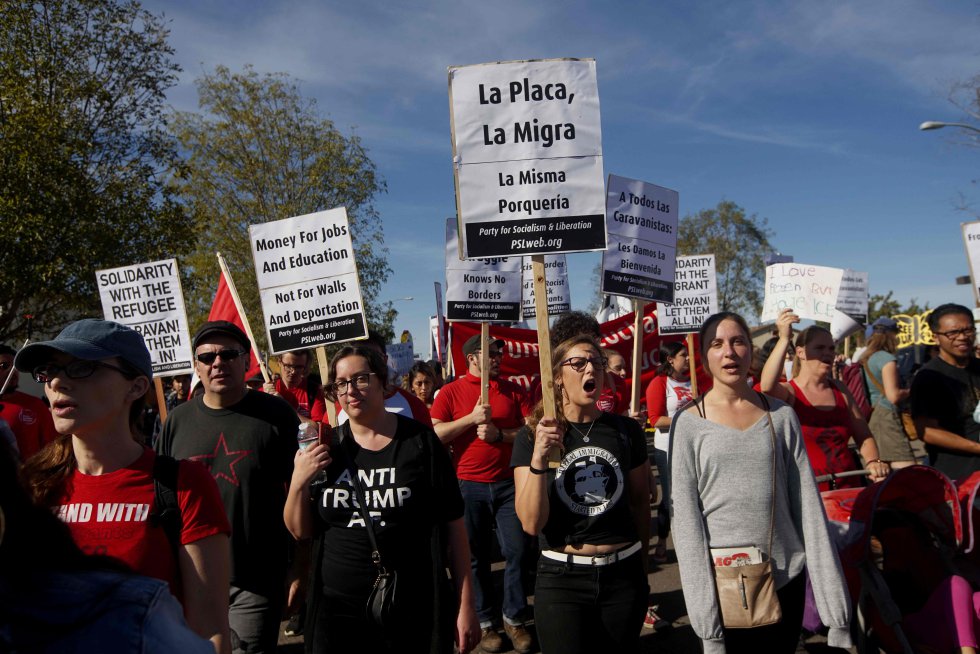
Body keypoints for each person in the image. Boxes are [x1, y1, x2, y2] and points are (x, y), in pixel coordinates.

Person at [15, 319, 231, 653]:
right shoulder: (30, 487)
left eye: (82, 368)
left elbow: (209, 632)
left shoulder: (184, 484)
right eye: (49, 370)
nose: (57, 382)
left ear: (136, 387)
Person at [671, 311, 852, 653]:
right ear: (704, 357)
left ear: (750, 351)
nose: (729, 352)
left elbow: (809, 510)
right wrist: (706, 624)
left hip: (786, 578)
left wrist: (836, 613)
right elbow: (686, 526)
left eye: (738, 341)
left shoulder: (781, 417)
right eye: (717, 344)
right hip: (726, 586)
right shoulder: (689, 423)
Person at [283, 345, 480, 654]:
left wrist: (465, 603)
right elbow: (301, 531)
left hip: (411, 606)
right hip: (337, 613)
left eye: (361, 378)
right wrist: (298, 482)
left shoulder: (420, 442)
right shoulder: (324, 447)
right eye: (341, 383)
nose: (351, 390)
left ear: (383, 383)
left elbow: (454, 527)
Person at [158, 320, 300, 654]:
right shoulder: (176, 421)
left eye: (228, 354)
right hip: (191, 578)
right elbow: (162, 501)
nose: (217, 363)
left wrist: (299, 567)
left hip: (256, 579)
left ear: (246, 360)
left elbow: (303, 492)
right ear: (196, 366)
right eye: (207, 358)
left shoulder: (276, 414)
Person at [0, 437, 217, 654]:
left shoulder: (181, 482)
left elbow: (209, 630)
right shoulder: (33, 483)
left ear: (132, 399)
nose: (58, 400)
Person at [513, 334, 650, 653]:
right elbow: (532, 524)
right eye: (578, 363)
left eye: (597, 362)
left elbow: (641, 503)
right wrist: (538, 458)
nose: (591, 369)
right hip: (562, 581)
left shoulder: (626, 430)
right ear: (558, 377)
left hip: (623, 576)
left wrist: (640, 570)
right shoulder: (532, 435)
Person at [431, 334, 534, 654]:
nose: (497, 358)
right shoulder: (450, 392)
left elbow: (530, 429)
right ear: (472, 357)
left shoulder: (514, 390)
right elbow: (435, 432)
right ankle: (487, 622)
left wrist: (500, 434)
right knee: (474, 557)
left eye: (498, 353)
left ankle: (514, 618)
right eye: (490, 353)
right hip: (467, 485)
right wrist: (470, 420)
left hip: (508, 484)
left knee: (517, 550)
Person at [760, 309, 889, 490]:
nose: (827, 353)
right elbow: (766, 386)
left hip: (848, 486)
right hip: (808, 492)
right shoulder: (790, 392)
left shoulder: (840, 389)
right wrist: (783, 339)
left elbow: (864, 436)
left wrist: (874, 462)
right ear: (801, 352)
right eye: (820, 348)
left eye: (831, 348)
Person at [911, 303, 980, 480]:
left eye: (968, 330)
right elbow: (927, 432)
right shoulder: (928, 377)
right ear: (936, 337)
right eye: (952, 333)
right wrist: (976, 447)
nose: (962, 337)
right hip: (959, 475)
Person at [644, 340, 693, 566]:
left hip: (693, 446)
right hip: (668, 448)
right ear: (670, 359)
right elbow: (655, 420)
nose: (689, 358)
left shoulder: (695, 381)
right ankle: (662, 541)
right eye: (684, 354)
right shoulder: (659, 383)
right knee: (672, 497)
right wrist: (687, 420)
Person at [335, 330, 432, 427]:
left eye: (374, 357)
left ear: (385, 360)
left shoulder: (414, 406)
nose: (366, 363)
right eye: (359, 356)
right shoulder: (335, 412)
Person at [859, 318, 917, 468]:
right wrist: (912, 390)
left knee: (882, 469)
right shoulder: (886, 358)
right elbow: (893, 395)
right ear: (891, 335)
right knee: (907, 469)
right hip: (887, 416)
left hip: (874, 415)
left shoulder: (866, 357)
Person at [0, 343, 59, 461]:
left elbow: (53, 448)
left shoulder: (35, 405)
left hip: (30, 477)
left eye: (15, 367)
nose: (12, 372)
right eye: (4, 366)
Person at [263, 349, 327, 423]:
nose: (293, 371)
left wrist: (285, 407)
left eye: (299, 367)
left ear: (305, 366)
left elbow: (317, 428)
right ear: (279, 362)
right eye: (288, 366)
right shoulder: (269, 390)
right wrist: (265, 400)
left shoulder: (315, 391)